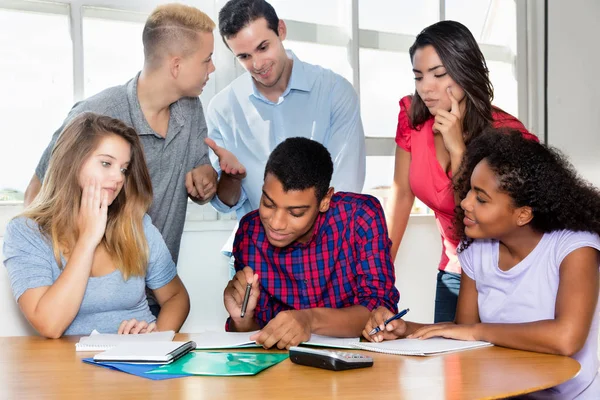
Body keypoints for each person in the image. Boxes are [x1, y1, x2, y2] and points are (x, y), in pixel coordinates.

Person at [364, 130, 600, 399]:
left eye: (481, 198)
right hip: (503, 393)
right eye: (469, 192)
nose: (465, 203)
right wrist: (407, 329)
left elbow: (566, 338)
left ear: (523, 214)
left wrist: (475, 331)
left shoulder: (574, 248)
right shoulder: (477, 251)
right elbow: (461, 336)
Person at [24, 3, 241, 265]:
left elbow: (200, 178)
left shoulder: (191, 109)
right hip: (92, 293)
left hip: (159, 289)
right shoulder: (94, 114)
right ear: (176, 66)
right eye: (207, 59)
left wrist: (204, 180)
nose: (213, 68)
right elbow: (36, 194)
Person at [386, 20, 538, 323]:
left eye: (439, 74)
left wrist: (458, 150)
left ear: (465, 71)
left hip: (507, 274)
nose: (426, 88)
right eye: (418, 76)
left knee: (510, 369)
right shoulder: (413, 119)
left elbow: (477, 212)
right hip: (455, 271)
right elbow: (401, 194)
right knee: (453, 366)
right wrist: (380, 272)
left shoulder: (508, 135)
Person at [205, 0, 366, 264]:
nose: (257, 64)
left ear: (281, 30)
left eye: (263, 47)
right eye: (244, 57)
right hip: (257, 258)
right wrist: (232, 179)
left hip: (326, 255)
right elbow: (227, 203)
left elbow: (346, 190)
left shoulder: (335, 92)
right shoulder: (223, 108)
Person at [3, 113, 190, 338]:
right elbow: (50, 325)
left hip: (140, 363)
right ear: (72, 162)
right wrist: (88, 239)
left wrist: (155, 338)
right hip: (68, 367)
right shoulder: (26, 232)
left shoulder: (135, 223)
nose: (119, 178)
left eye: (123, 168)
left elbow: (176, 297)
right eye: (106, 163)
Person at [223, 137, 398, 350]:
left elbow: (378, 311)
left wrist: (309, 319)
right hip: (282, 369)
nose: (276, 223)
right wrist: (242, 319)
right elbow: (258, 335)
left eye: (296, 213)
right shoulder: (250, 233)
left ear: (325, 200)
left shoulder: (361, 217)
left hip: (354, 365)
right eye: (268, 203)